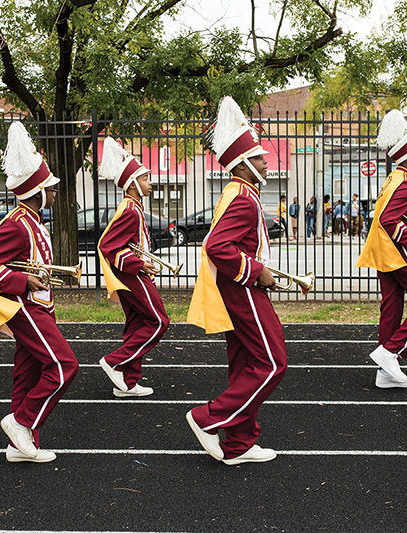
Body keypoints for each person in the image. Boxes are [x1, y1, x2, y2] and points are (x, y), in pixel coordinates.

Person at [0, 121, 78, 464]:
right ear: (35, 191)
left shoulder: (33, 220)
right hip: (24, 308)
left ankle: (19, 446)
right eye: (51, 187)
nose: (56, 192)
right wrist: (21, 281)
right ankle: (21, 422)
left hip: (39, 307)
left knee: (27, 373)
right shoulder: (16, 223)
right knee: (64, 366)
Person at [186, 96, 287, 466]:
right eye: (259, 157)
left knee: (246, 363)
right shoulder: (242, 197)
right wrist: (256, 271)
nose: (265, 162)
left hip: (239, 288)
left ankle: (239, 443)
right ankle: (208, 418)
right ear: (244, 163)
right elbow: (217, 246)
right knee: (273, 363)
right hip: (242, 290)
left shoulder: (240, 192)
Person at [356, 110, 407, 389]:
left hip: (384, 250)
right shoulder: (406, 183)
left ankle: (385, 372)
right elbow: (388, 220)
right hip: (397, 251)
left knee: (391, 308)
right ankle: (390, 352)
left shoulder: (394, 178)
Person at [97, 137, 169, 397]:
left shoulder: (134, 207)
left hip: (136, 273)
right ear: (134, 183)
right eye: (147, 178)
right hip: (132, 276)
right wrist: (139, 264)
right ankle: (116, 361)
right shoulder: (130, 209)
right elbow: (107, 245)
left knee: (137, 324)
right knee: (159, 321)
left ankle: (126, 383)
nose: (151, 182)